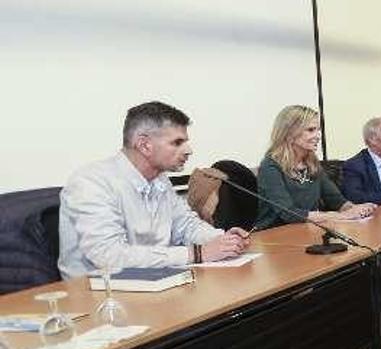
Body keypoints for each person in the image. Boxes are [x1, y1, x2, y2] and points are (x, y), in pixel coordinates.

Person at [59, 101, 248, 278]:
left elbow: (186, 226)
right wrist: (197, 253)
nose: (188, 150)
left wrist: (224, 239)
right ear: (144, 145)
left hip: (154, 282)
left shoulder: (159, 179)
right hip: (97, 295)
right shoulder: (90, 183)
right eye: (177, 142)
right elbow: (109, 257)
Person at [255, 105, 376, 229]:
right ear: (289, 133)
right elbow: (289, 214)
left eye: (318, 130)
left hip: (306, 231)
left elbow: (336, 200)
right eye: (311, 130)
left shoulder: (312, 163)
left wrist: (355, 209)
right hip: (274, 236)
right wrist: (341, 216)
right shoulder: (270, 166)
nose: (318, 136)